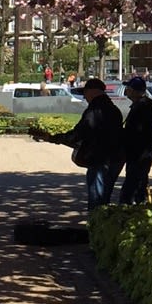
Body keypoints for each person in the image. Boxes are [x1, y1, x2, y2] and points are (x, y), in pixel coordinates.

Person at [44, 78, 125, 208]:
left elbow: (80, 133)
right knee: (104, 198)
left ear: (92, 92)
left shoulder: (95, 110)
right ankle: (102, 223)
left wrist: (56, 138)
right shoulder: (113, 109)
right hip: (115, 159)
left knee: (96, 201)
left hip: (100, 159)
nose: (84, 97)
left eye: (85, 93)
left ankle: (96, 225)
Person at [117, 76, 152, 204]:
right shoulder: (142, 105)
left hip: (140, 153)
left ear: (134, 91)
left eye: (128, 88)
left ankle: (134, 209)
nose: (126, 91)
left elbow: (136, 131)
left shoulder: (143, 106)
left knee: (133, 186)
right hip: (139, 153)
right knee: (138, 183)